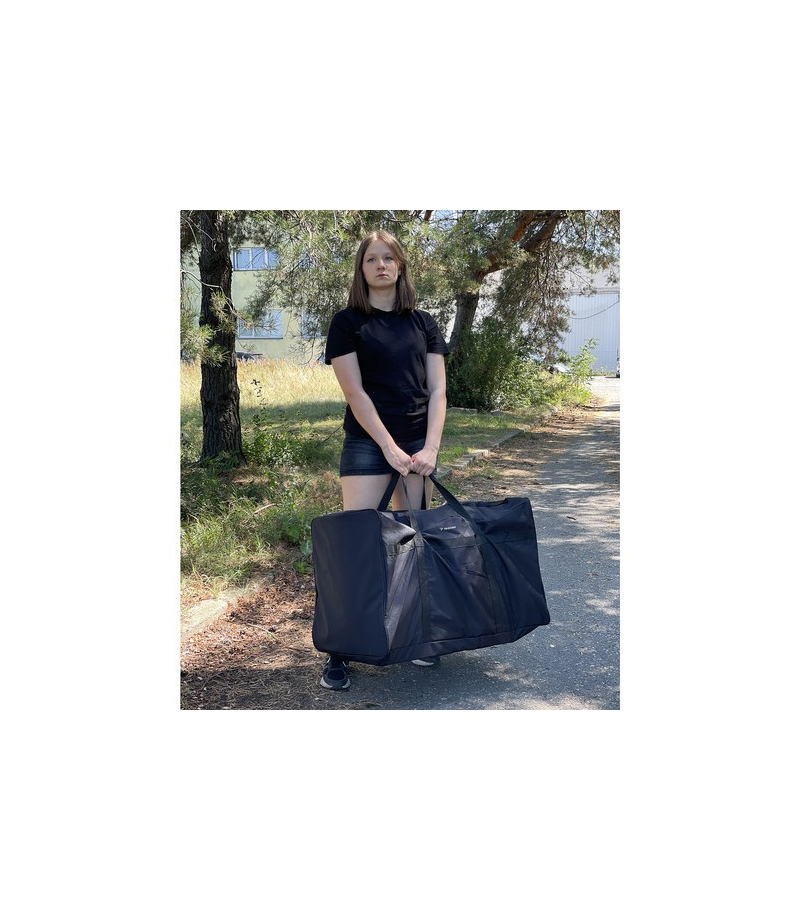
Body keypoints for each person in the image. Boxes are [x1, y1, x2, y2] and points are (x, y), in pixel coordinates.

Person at [320, 229, 450, 690]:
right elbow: (355, 392)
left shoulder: (424, 323)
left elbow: (438, 390)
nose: (381, 265)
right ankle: (340, 651)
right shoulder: (346, 323)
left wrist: (430, 448)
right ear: (362, 269)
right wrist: (388, 447)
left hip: (417, 444)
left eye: (388, 258)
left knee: (412, 544)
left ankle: (414, 637)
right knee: (357, 548)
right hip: (367, 442)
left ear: (400, 266)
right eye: (372, 259)